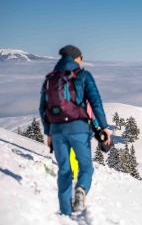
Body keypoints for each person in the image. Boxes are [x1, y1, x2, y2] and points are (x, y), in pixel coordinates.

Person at [39, 45, 111, 216]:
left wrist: (49, 132)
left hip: (57, 130)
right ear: (77, 58)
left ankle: (65, 213)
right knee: (86, 167)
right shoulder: (83, 75)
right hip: (79, 128)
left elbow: (43, 108)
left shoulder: (50, 79)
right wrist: (104, 127)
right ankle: (81, 189)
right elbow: (96, 102)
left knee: (64, 170)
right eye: (81, 58)